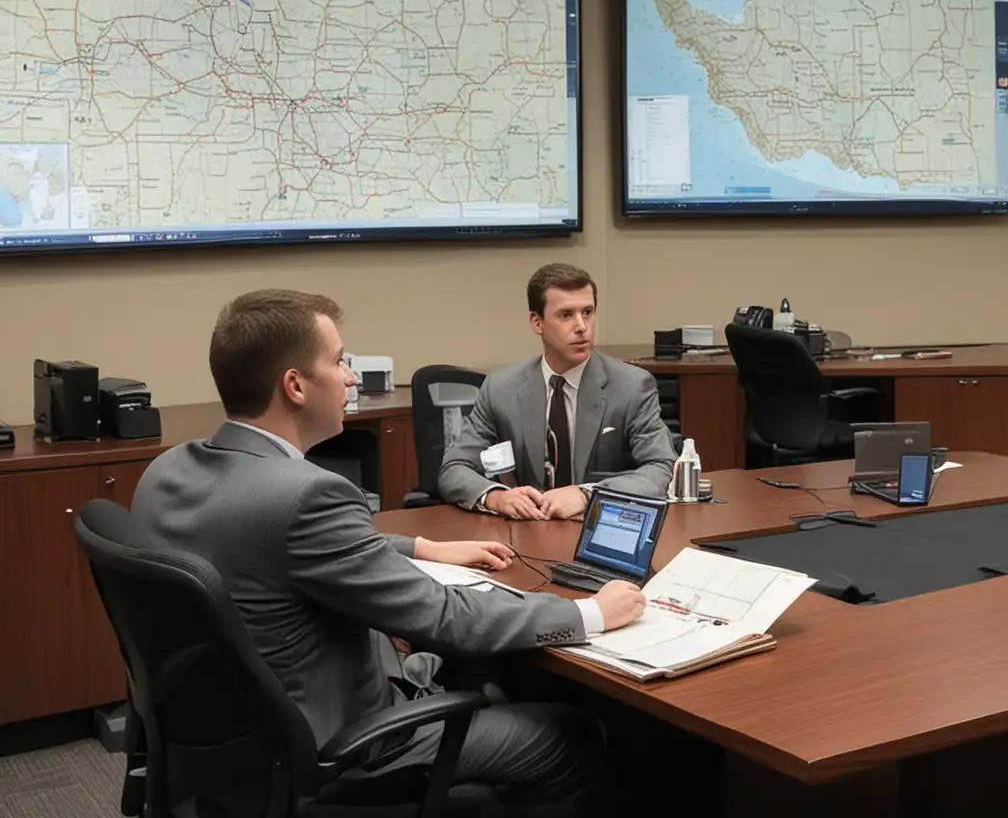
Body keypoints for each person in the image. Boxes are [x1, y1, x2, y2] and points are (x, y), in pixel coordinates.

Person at [133, 289, 644, 808]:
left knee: (476, 681)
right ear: (295, 386)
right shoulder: (308, 495)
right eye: (338, 362)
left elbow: (275, 540)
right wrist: (589, 613)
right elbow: (446, 617)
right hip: (338, 747)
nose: (352, 377)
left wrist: (421, 546)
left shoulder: (166, 472)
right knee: (573, 735)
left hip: (226, 742)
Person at [440, 263, 676, 519]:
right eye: (566, 315)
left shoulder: (631, 386)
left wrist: (587, 494)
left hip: (598, 530)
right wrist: (497, 497)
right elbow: (454, 468)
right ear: (537, 322)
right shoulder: (501, 388)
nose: (581, 326)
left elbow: (661, 467)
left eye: (587, 312)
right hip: (525, 533)